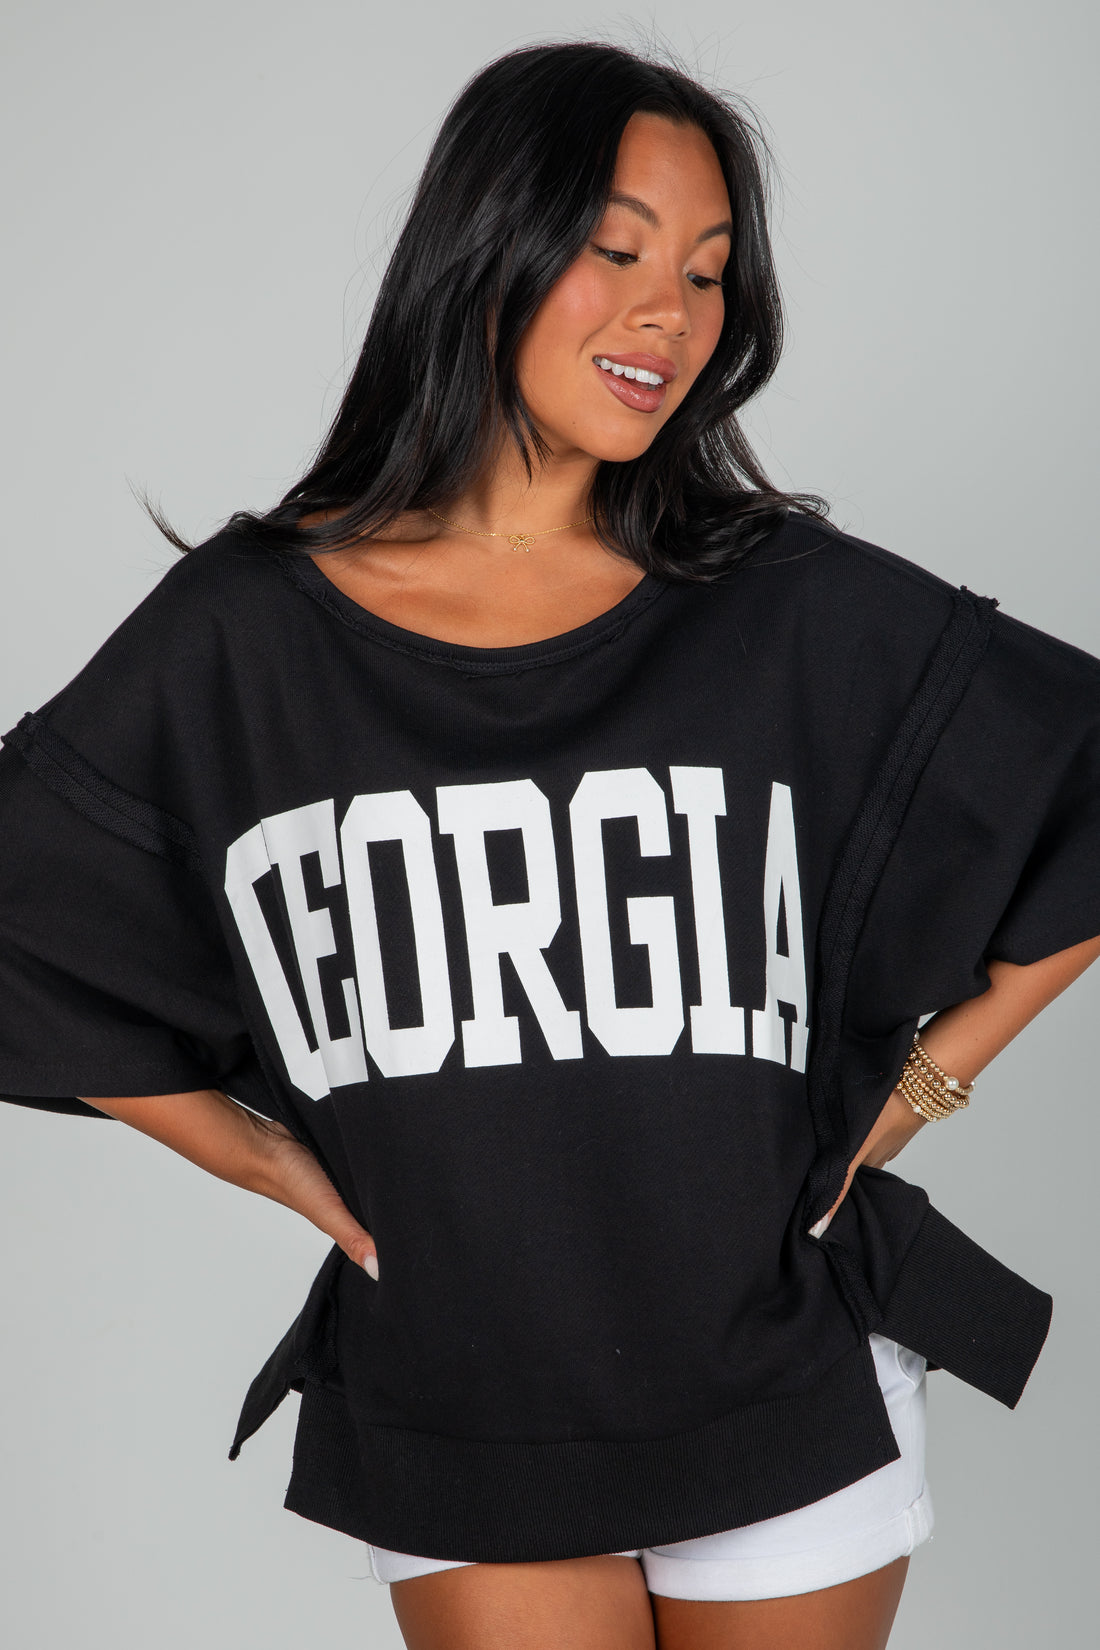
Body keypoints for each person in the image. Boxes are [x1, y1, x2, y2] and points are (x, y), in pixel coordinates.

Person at [2, 39, 1098, 1650]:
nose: (672, 313)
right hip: (461, 1392)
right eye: (618, 249)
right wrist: (252, 1148)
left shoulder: (772, 602)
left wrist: (924, 1085)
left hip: (781, 1366)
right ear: (489, 244)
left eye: (708, 273)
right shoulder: (249, 634)